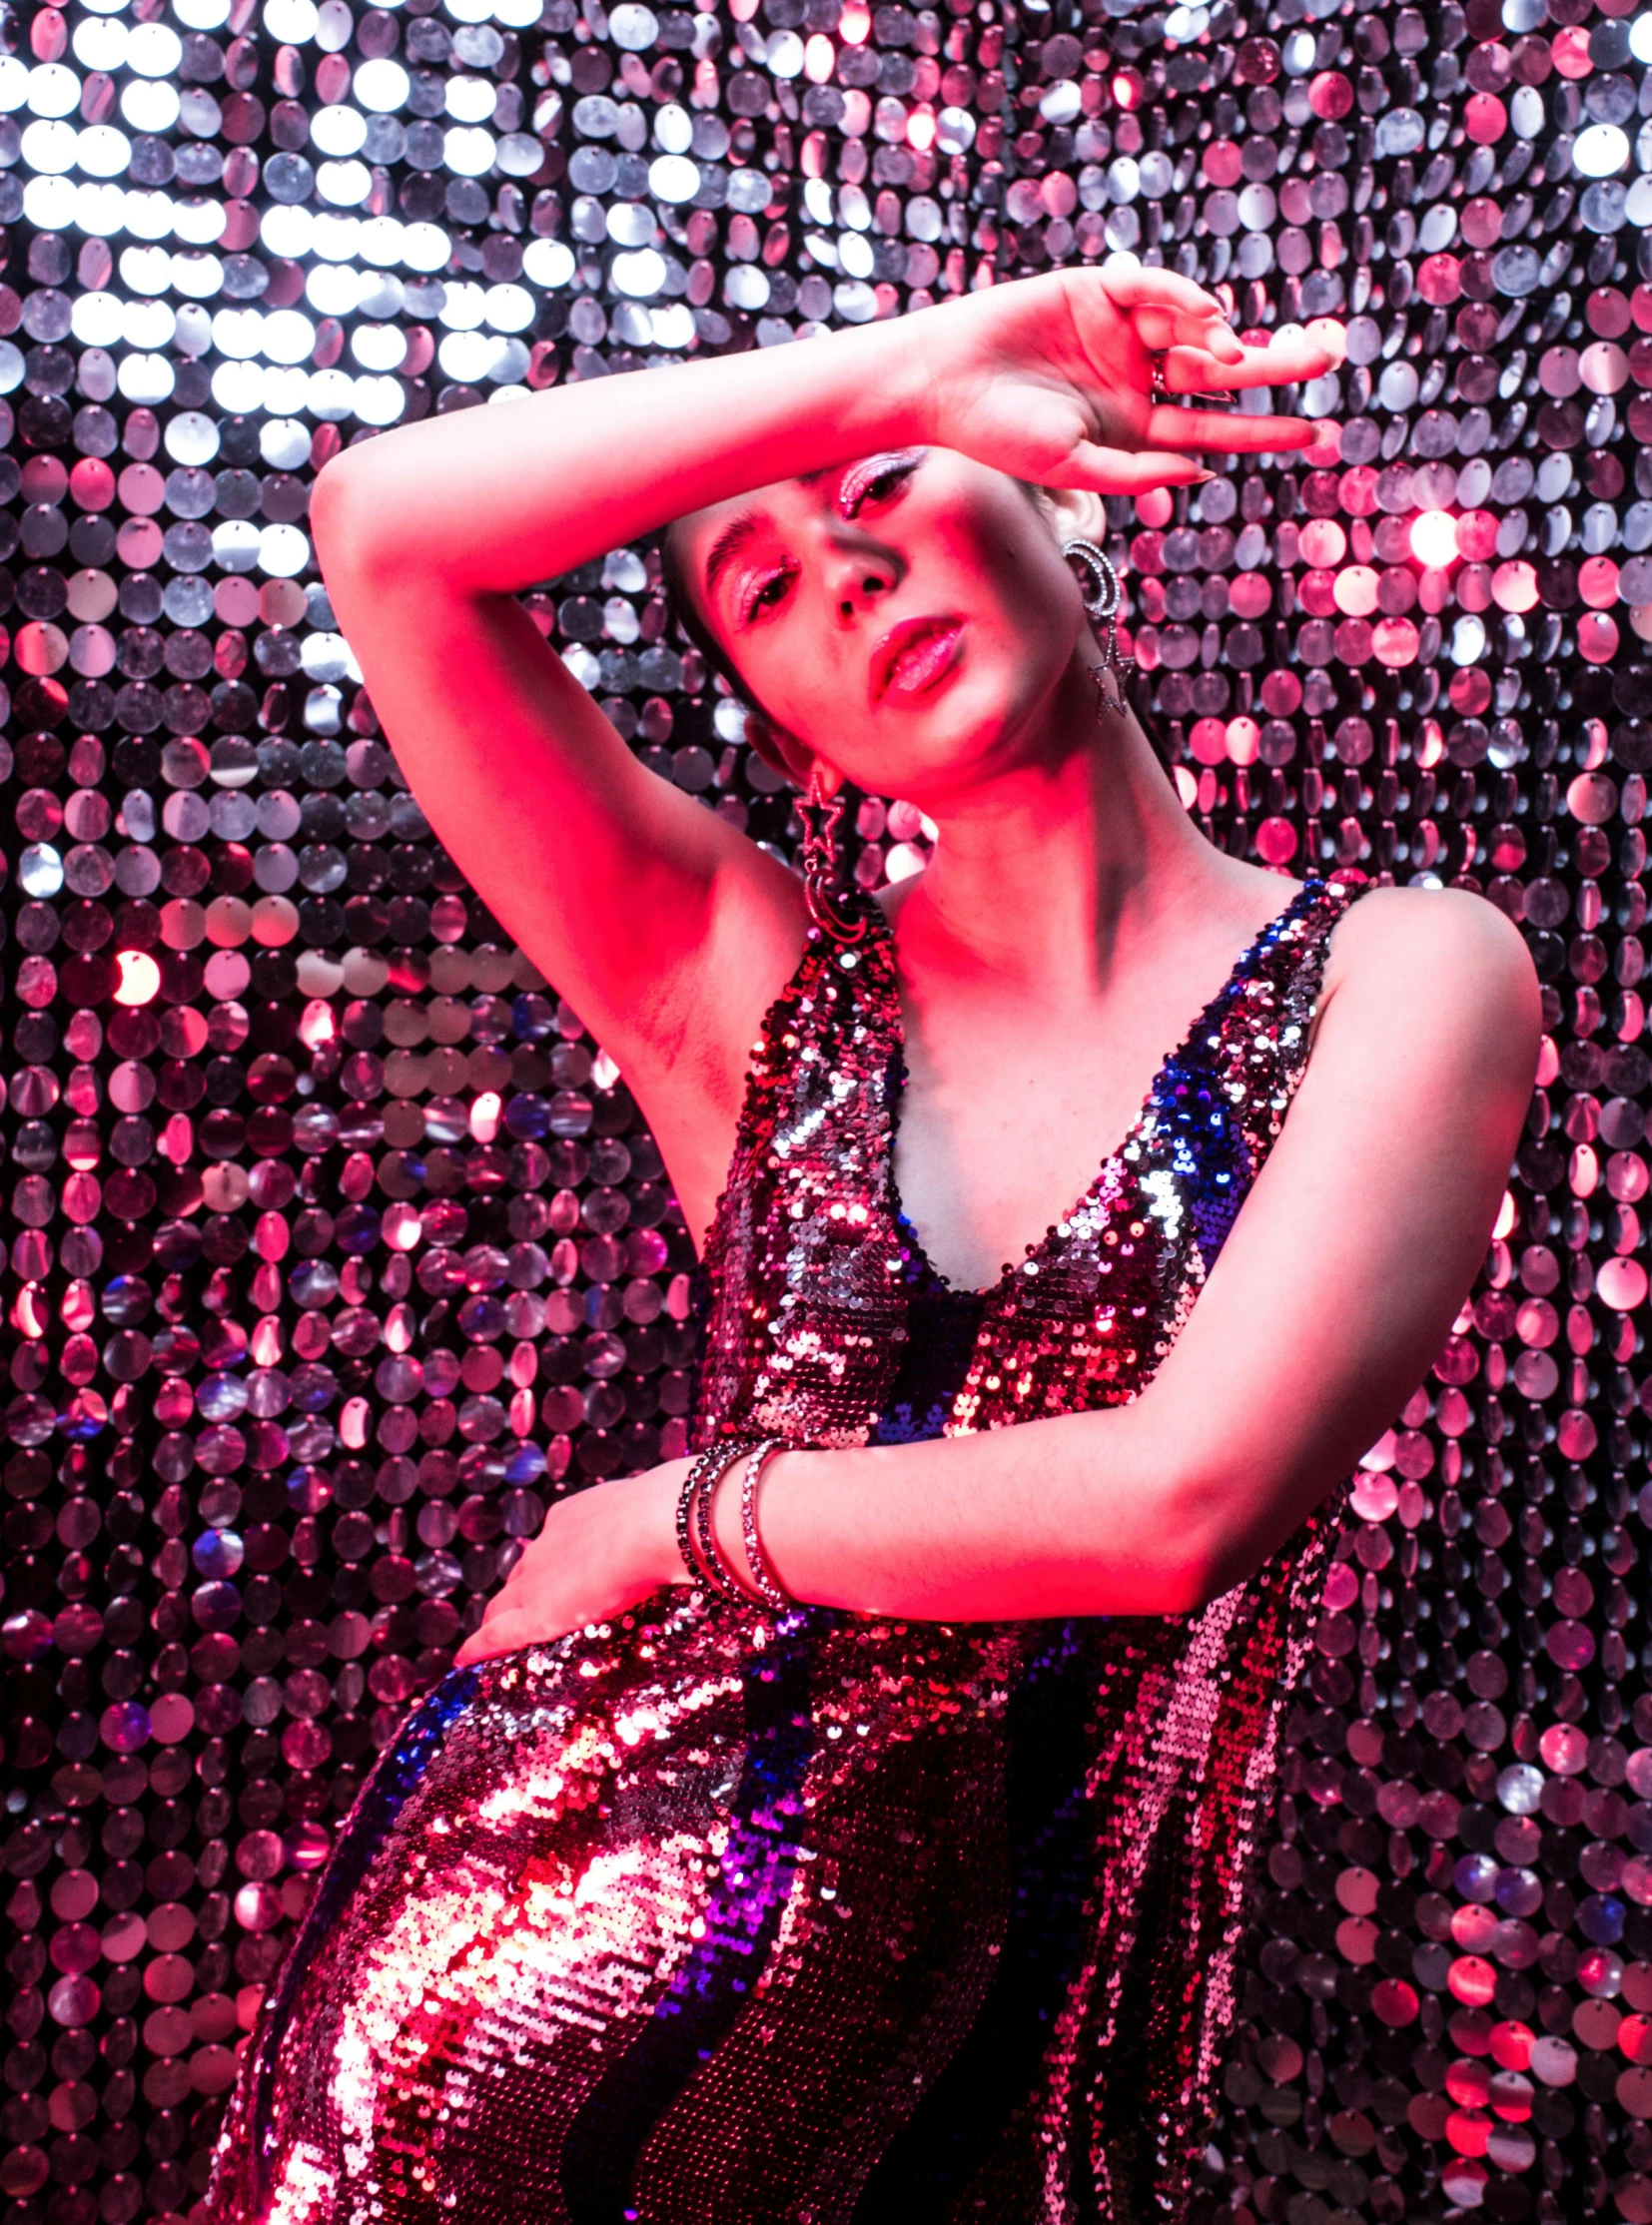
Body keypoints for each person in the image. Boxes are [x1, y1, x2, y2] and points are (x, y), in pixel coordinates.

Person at [205, 261, 1538, 2223]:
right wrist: (905, 371)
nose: (835, 575)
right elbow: (383, 531)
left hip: (995, 2119)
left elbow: (1180, 1501)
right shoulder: (736, 986)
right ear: (779, 717)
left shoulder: (1404, 972)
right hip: (482, 2033)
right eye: (758, 587)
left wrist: (682, 1517)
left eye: (889, 490)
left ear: (1055, 499)